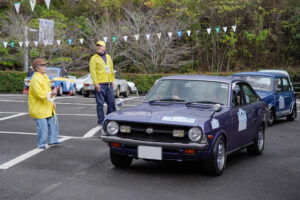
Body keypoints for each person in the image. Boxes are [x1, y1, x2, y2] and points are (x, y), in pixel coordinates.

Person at [28, 58, 62, 149]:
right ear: (37, 68)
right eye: (43, 65)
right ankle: (41, 143)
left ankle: (53, 140)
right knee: (42, 127)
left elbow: (48, 91)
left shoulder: (45, 76)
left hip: (47, 105)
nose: (45, 67)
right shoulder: (35, 79)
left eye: (45, 65)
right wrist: (51, 94)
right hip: (38, 107)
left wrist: (52, 100)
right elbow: (39, 94)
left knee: (53, 122)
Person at [89, 40, 116, 128]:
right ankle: (101, 121)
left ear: (104, 47)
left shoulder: (108, 56)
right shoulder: (94, 58)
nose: (98, 47)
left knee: (111, 103)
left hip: (108, 83)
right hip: (100, 84)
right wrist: (96, 83)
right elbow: (93, 72)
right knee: (100, 104)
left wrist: (112, 80)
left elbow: (111, 69)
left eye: (100, 46)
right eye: (97, 46)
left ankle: (109, 119)